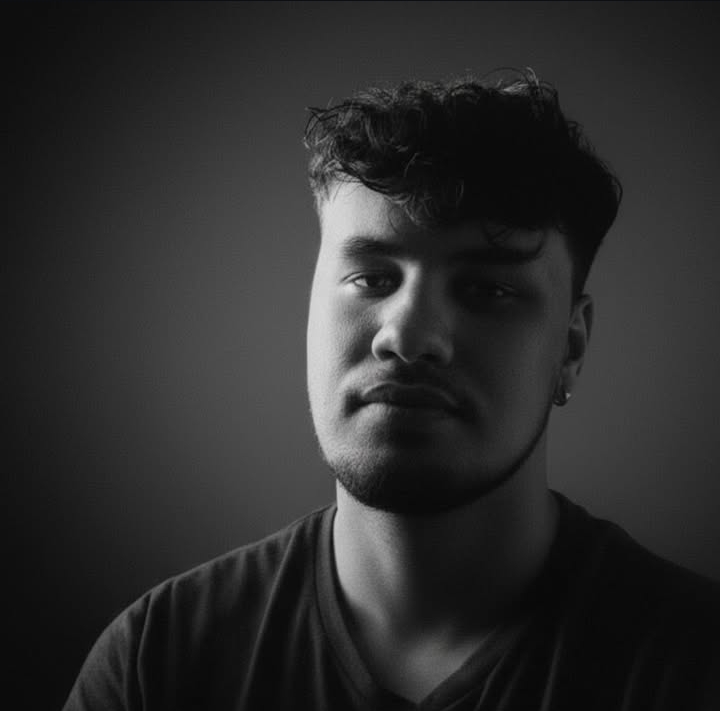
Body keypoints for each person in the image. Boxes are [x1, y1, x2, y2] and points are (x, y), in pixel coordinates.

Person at [63, 69, 720, 710]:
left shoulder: (694, 666)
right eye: (372, 279)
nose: (406, 336)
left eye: (486, 289)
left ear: (570, 348)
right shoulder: (157, 661)